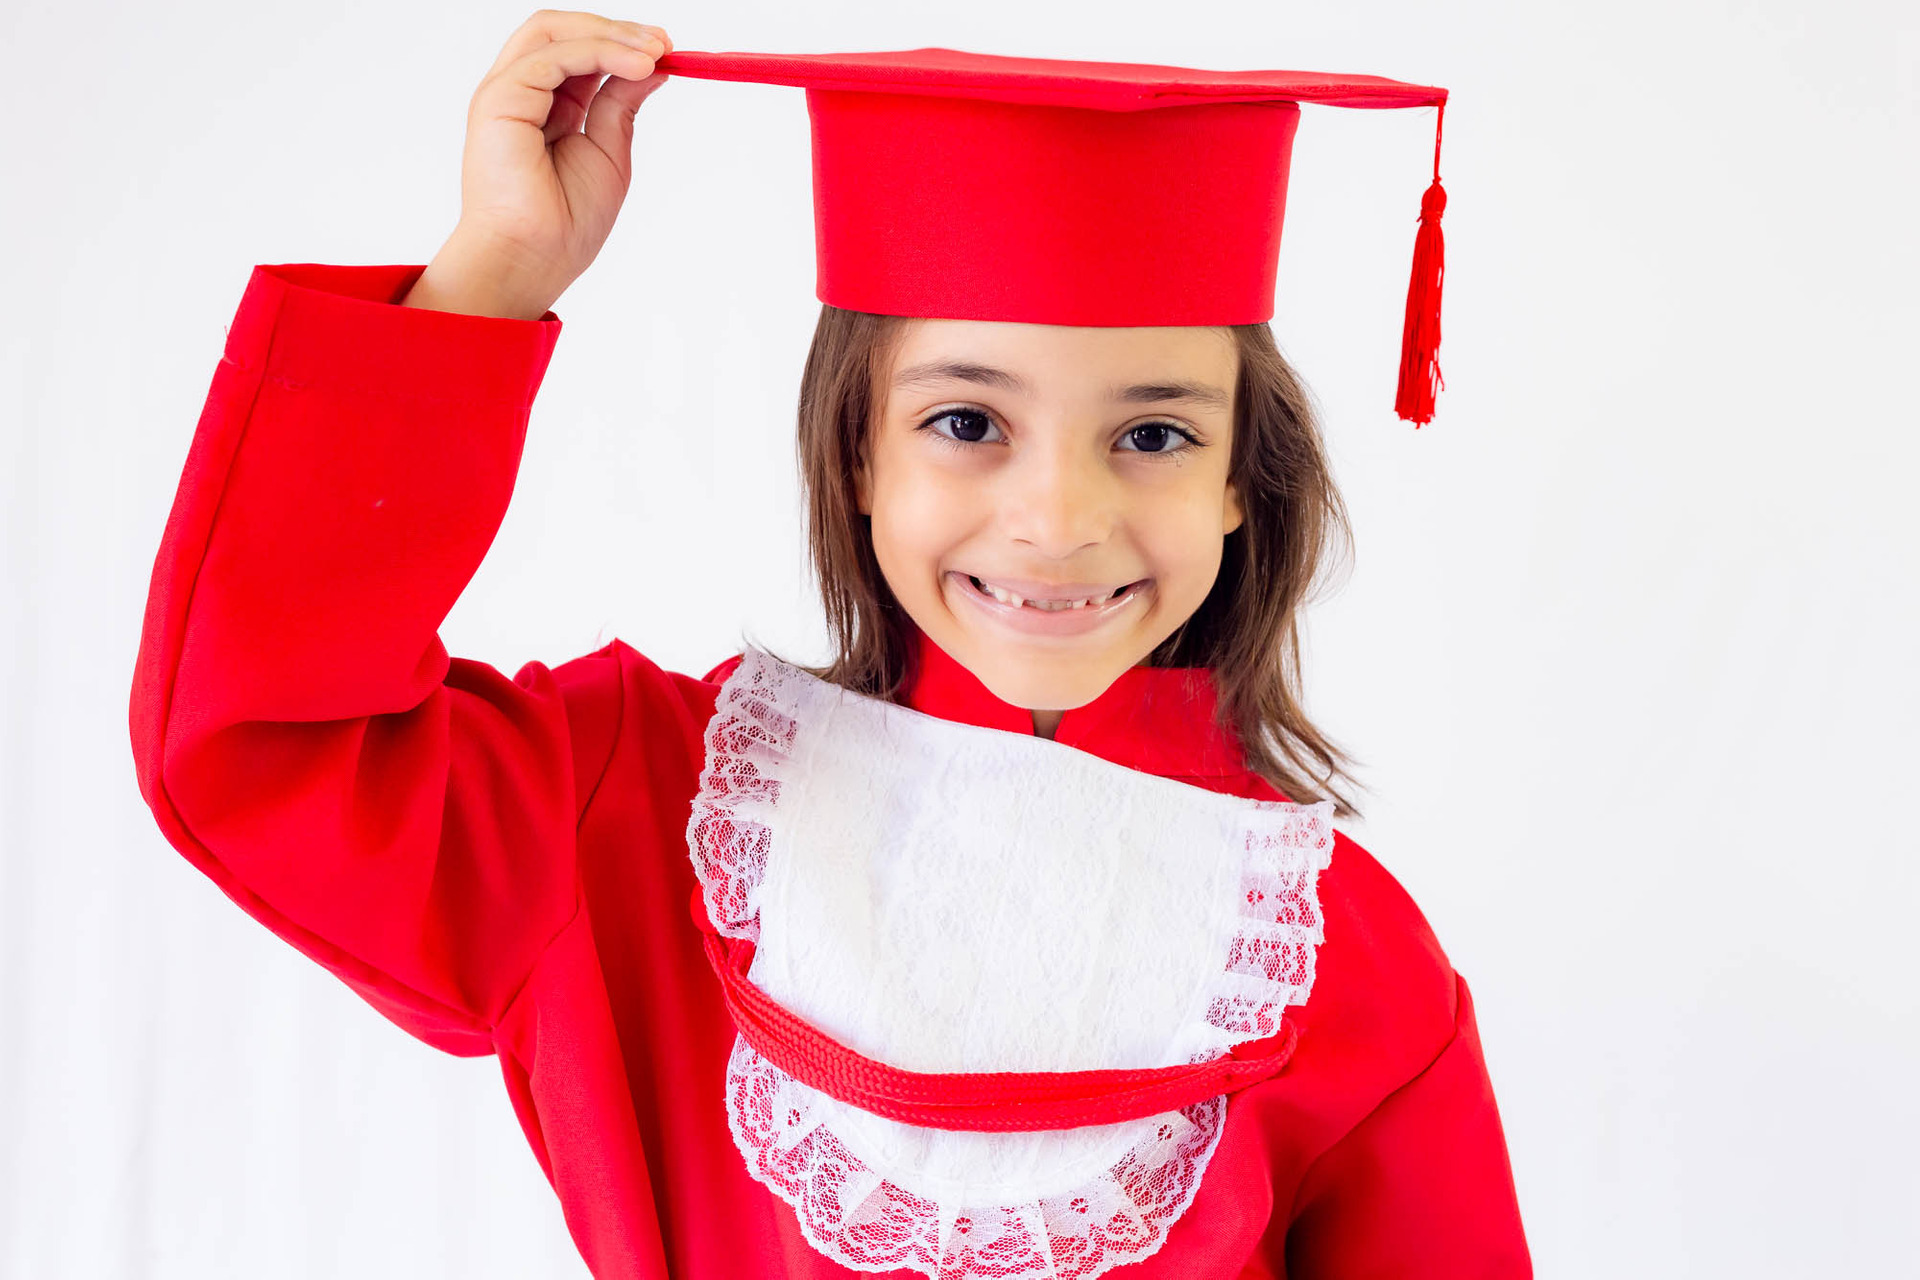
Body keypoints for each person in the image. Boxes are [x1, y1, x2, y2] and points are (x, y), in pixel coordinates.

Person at [130, 11, 1529, 1278]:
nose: (1057, 517)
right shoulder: (639, 810)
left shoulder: (1345, 969)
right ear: (857, 451)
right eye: (967, 422)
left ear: (1240, 480)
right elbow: (266, 746)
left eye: (1154, 435)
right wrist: (493, 275)